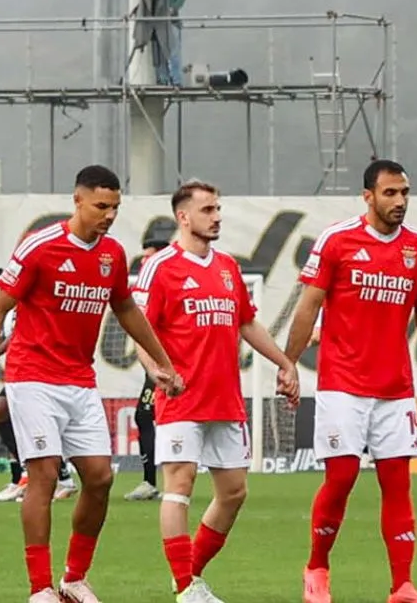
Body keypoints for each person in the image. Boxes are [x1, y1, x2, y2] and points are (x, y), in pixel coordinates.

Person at [0, 164, 183, 603]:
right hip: (32, 377)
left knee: (100, 478)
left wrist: (161, 360)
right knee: (44, 475)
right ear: (78, 200)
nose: (108, 215)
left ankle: (73, 578)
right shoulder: (41, 247)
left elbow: (126, 310)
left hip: (79, 379)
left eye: (115, 207)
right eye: (101, 206)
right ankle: (39, 588)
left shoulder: (112, 255)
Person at [284, 159, 417, 603]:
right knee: (342, 477)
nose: (400, 202)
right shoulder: (338, 240)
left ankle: (403, 587)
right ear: (368, 196)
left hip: (395, 389)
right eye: (390, 193)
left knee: (398, 483)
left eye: (405, 193)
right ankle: (317, 567)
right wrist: (289, 362)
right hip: (342, 384)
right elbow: (308, 304)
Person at [134, 180, 298, 603]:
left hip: (224, 397)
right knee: (180, 484)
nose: (217, 216)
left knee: (234, 492)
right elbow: (139, 329)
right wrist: (155, 370)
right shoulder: (160, 267)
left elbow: (247, 322)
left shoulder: (227, 267)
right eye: (208, 209)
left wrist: (284, 362)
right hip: (182, 396)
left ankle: (189, 575)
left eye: (219, 208)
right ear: (183, 216)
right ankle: (187, 587)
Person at [0, 270, 77, 505]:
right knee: (4, 415)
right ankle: (29, 475)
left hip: (38, 371)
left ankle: (58, 479)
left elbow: (15, 337)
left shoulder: (22, 302)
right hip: (22, 372)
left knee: (5, 414)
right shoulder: (6, 312)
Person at [126, 234, 172, 502]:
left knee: (153, 417)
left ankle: (163, 480)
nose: (144, 262)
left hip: (173, 365)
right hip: (155, 367)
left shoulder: (168, 281)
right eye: (143, 258)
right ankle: (151, 481)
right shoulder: (145, 287)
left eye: (149, 257)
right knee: (145, 416)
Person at [133, 0, 186, 85]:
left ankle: (176, 80)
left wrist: (173, 8)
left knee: (173, 52)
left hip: (171, 23)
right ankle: (163, 80)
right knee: (159, 55)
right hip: (155, 25)